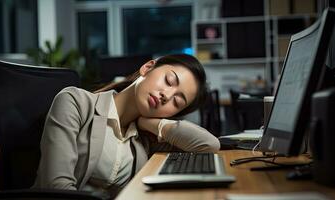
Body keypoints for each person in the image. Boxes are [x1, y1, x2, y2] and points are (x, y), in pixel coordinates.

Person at [33, 54, 220, 198]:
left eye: (177, 102)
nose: (167, 95)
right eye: (169, 81)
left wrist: (155, 124)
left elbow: (208, 145)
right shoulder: (76, 102)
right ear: (147, 67)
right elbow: (57, 190)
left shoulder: (147, 139)